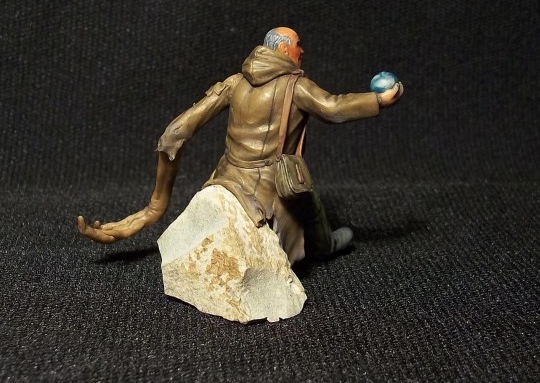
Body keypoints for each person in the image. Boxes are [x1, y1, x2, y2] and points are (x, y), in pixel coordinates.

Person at [78, 27, 403, 263]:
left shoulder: (234, 82)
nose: (302, 51)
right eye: (298, 45)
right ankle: (325, 246)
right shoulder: (297, 86)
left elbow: (174, 133)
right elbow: (333, 108)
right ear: (285, 50)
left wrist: (154, 208)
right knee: (308, 197)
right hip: (267, 189)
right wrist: (377, 100)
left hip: (225, 179)